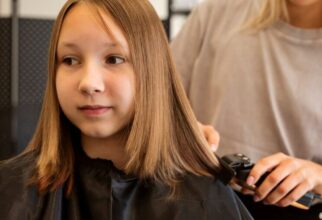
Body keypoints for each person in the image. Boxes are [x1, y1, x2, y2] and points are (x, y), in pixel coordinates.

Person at [0, 0, 254, 219]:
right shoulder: (10, 190)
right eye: (70, 60)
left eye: (114, 59)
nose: (89, 83)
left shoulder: (204, 200)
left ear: (151, 71)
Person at [171, 0, 322, 219]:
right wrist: (177, 129)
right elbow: (152, 103)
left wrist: (316, 176)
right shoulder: (216, 12)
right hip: (194, 203)